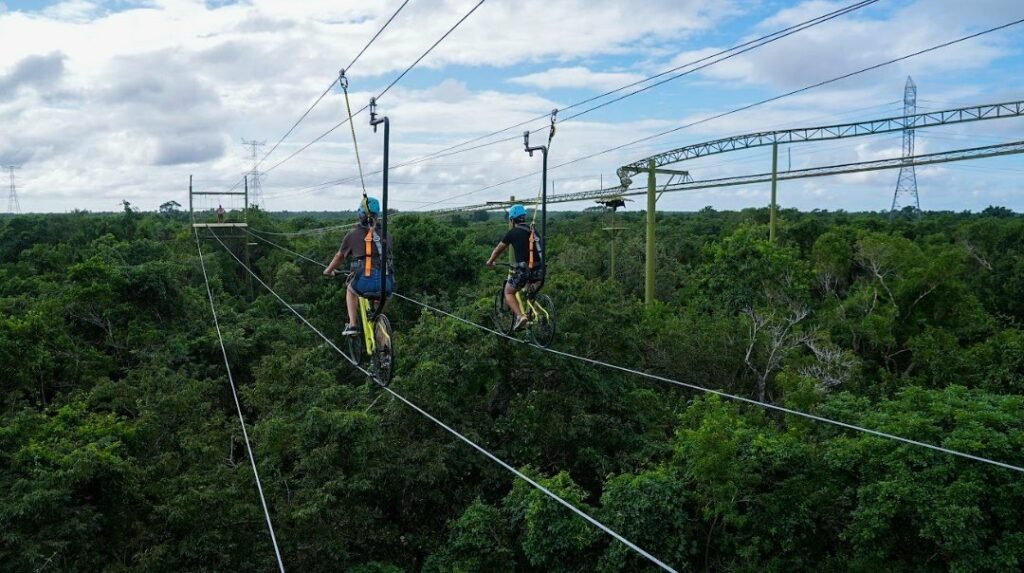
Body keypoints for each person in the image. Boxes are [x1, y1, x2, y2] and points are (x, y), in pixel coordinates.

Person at [324, 197, 394, 336]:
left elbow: (339, 257)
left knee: (350, 290)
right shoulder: (387, 234)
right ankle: (377, 321)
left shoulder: (353, 235)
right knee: (383, 297)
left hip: (364, 281)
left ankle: (353, 325)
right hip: (386, 282)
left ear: (360, 214)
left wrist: (328, 270)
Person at [485, 204, 544, 331]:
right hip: (540, 270)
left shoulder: (512, 233)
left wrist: (490, 262)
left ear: (512, 220)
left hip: (525, 271)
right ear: (524, 217)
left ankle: (520, 316)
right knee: (528, 291)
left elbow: (497, 251)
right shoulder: (533, 230)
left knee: (509, 291)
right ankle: (535, 313)